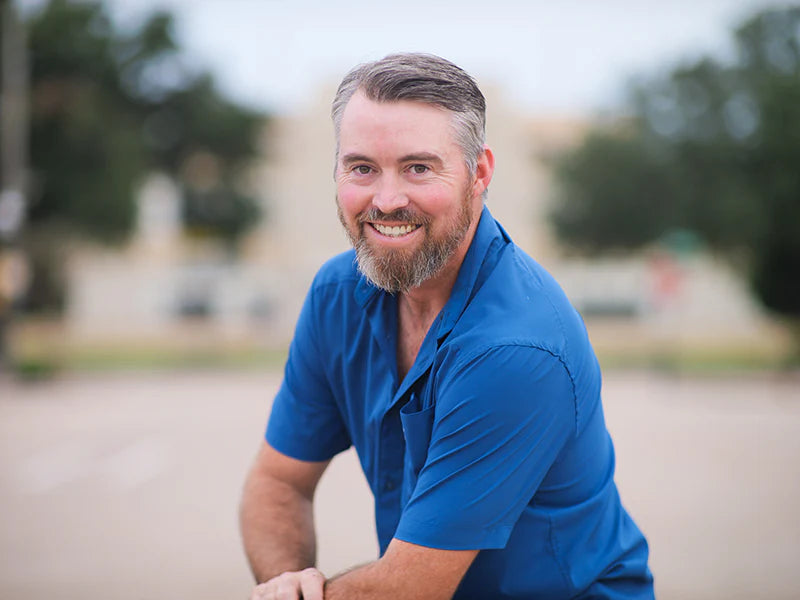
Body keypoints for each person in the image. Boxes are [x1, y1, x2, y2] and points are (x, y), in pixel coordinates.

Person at [240, 52, 654, 600]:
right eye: (362, 167)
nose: (386, 201)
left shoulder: (517, 346)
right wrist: (286, 584)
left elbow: (410, 587)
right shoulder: (337, 294)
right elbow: (278, 483)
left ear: (478, 173)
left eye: (418, 167)